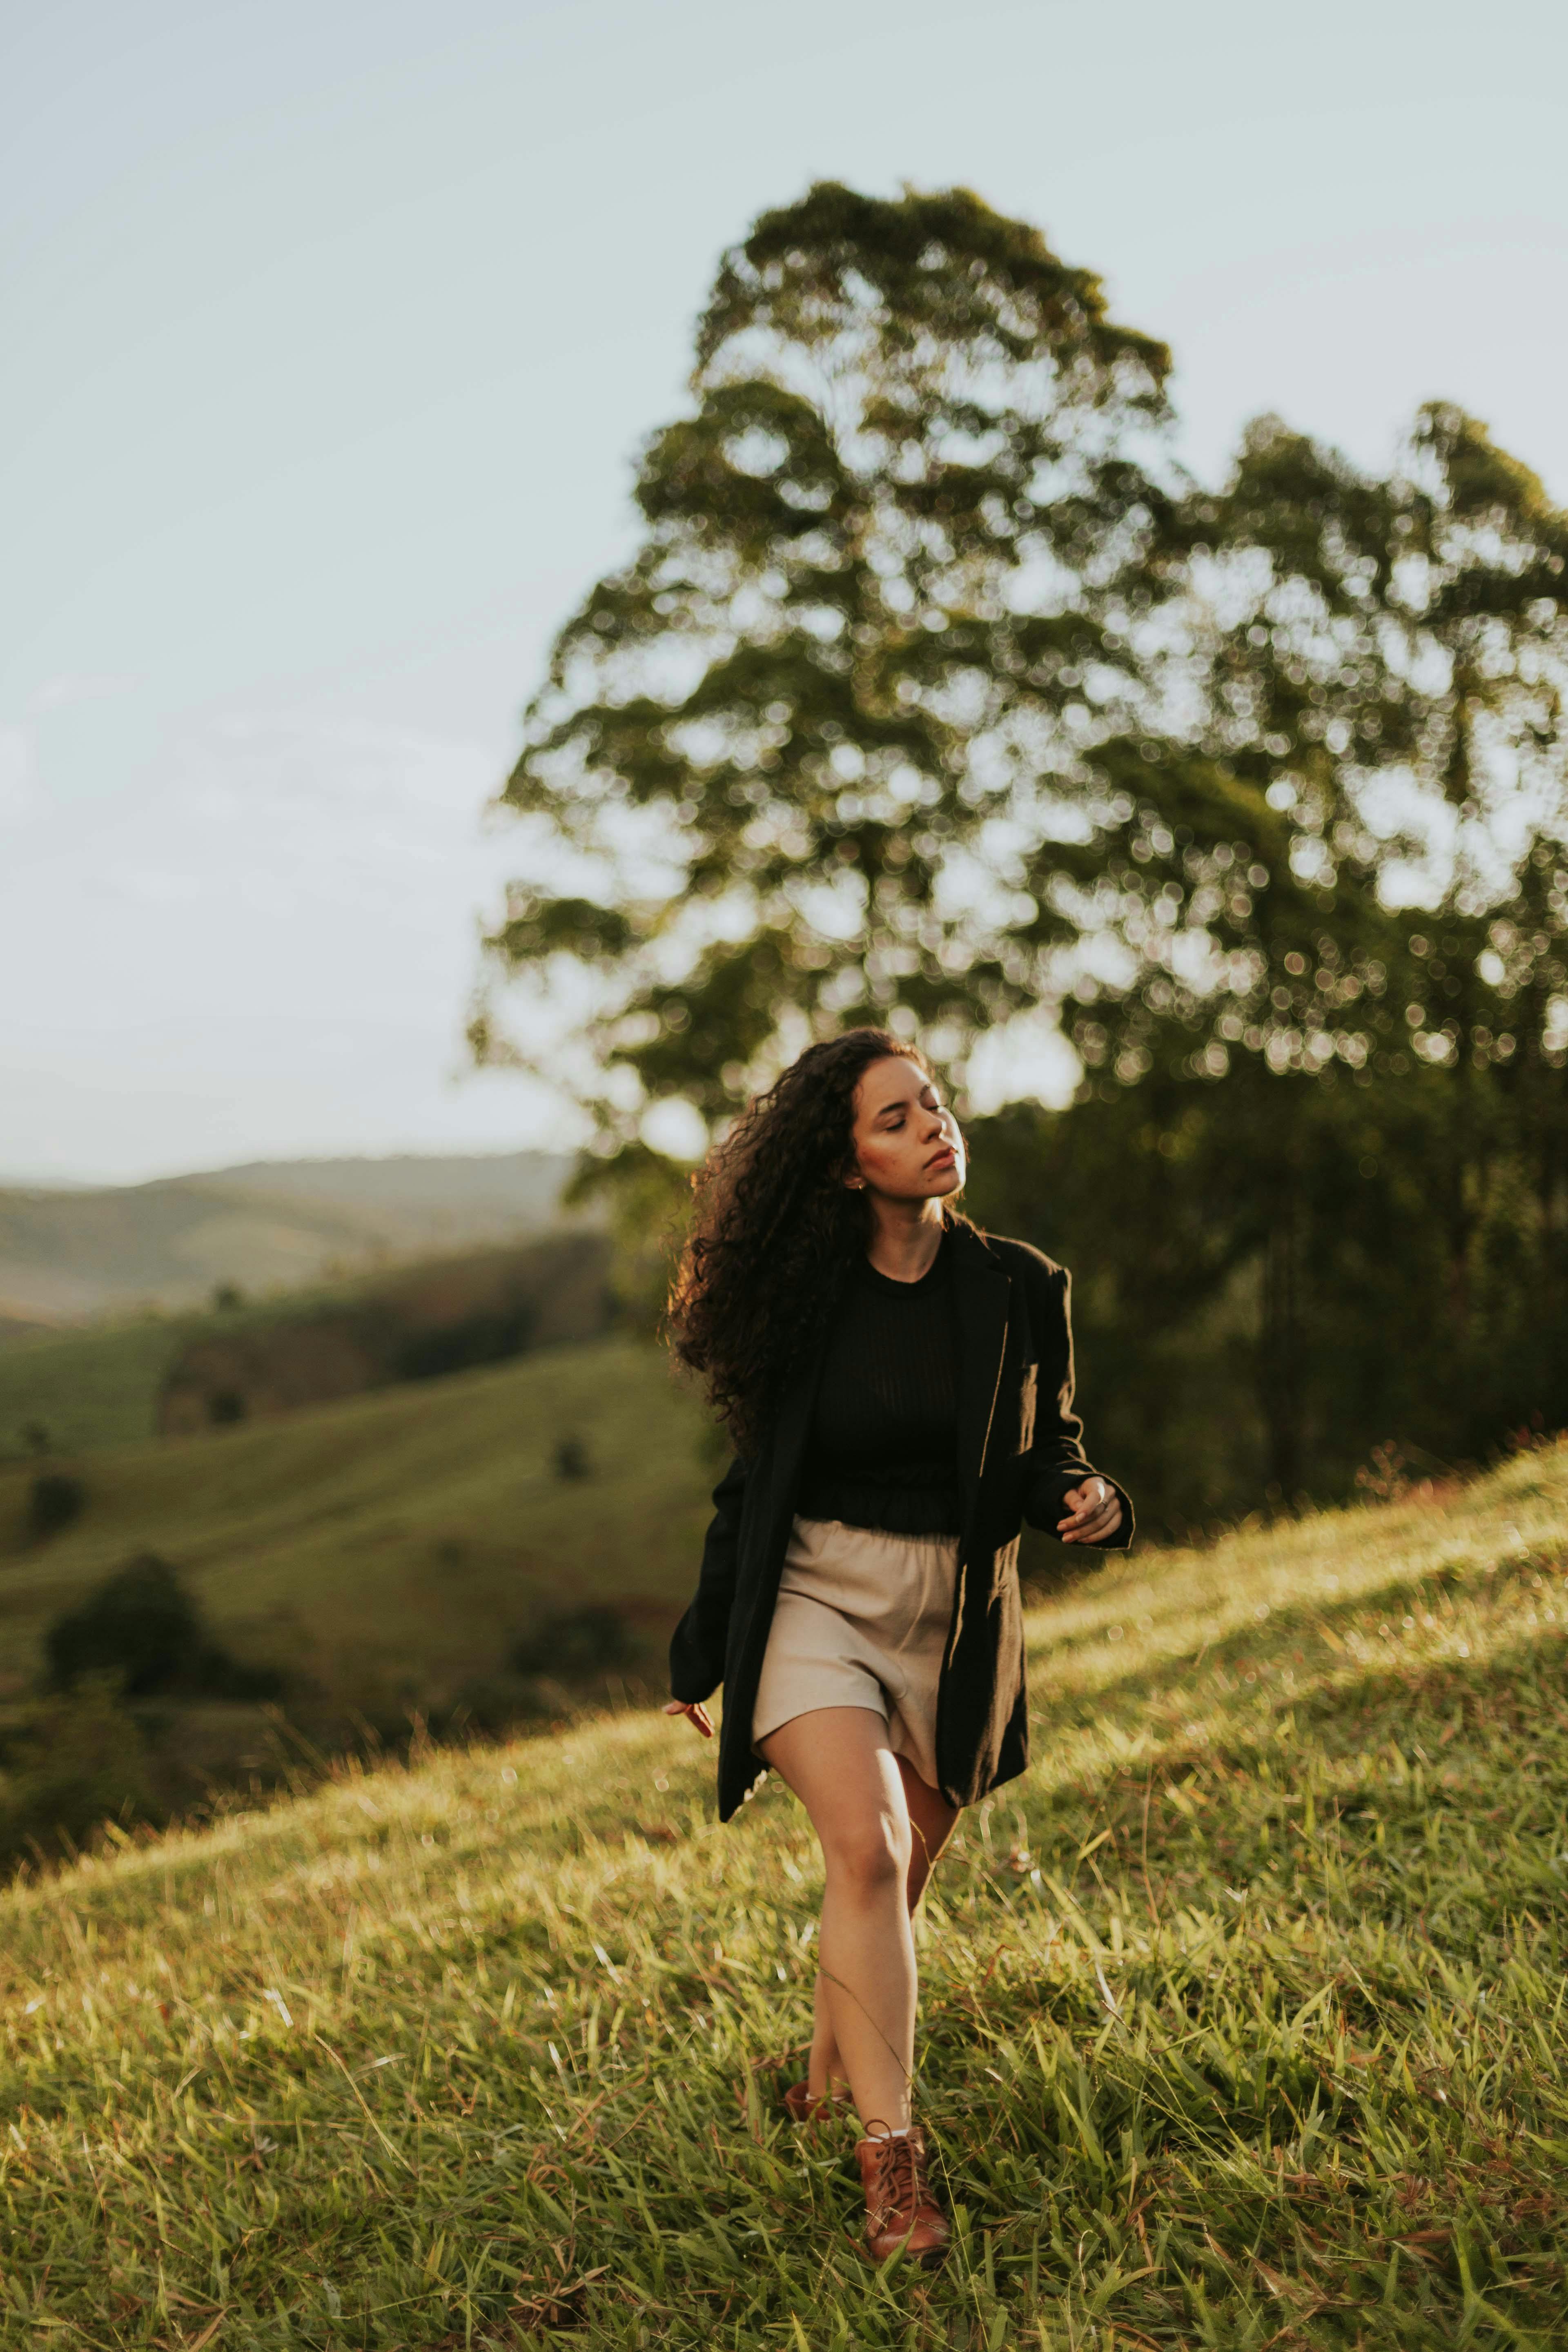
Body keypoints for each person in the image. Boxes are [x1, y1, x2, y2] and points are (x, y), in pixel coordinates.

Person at [662, 1029, 1132, 2266]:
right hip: (819, 1593)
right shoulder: (806, 1303)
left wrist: (1091, 1502)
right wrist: (702, 1654)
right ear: (844, 1164)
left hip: (957, 1618)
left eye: (933, 1104)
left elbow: (1050, 1450)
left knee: (893, 1882)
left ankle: (821, 2082)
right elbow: (753, 1488)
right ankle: (892, 2172)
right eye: (895, 1118)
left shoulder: (1021, 1284)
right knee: (866, 1852)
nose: (935, 1126)